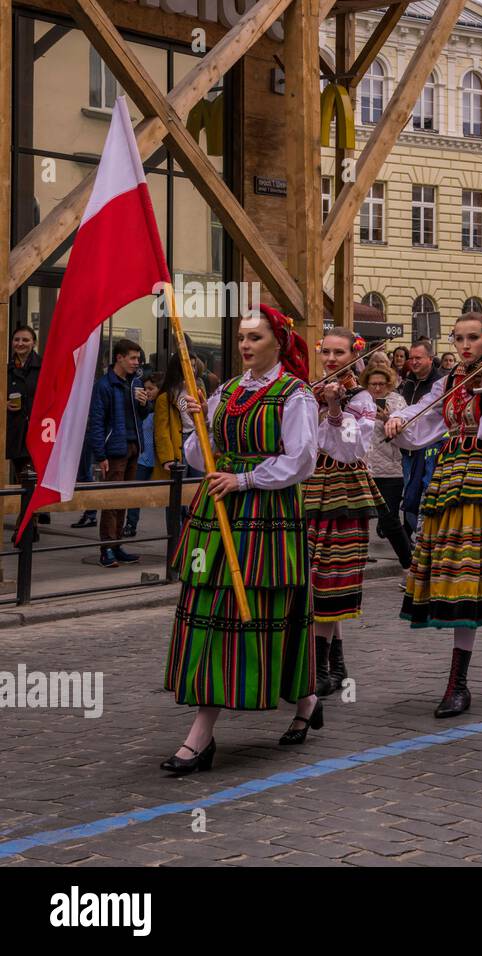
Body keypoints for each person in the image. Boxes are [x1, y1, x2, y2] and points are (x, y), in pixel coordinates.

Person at [161, 304, 319, 774]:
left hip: (266, 510)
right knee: (211, 609)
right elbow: (200, 457)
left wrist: (244, 480)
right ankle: (300, 700)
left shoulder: (295, 395)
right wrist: (197, 423)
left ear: (278, 341)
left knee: (265, 607)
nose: (245, 345)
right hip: (218, 512)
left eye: (255, 337)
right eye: (242, 337)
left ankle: (205, 734)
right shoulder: (226, 390)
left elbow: (302, 460)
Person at [385, 312, 482, 717]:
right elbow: (423, 423)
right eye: (459, 339)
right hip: (451, 478)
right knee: (464, 577)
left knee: (474, 577)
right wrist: (398, 418)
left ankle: (457, 685)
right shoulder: (449, 381)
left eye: (473, 339)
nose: (465, 346)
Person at [304, 330, 382, 699]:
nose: (332, 358)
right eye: (327, 352)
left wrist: (335, 409)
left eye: (340, 352)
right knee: (313, 574)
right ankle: (335, 664)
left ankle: (323, 668)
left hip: (343, 489)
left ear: (354, 354)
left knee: (329, 577)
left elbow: (351, 449)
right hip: (310, 485)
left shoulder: (361, 397)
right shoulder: (311, 389)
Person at [87, 338, 147, 568]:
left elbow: (140, 416)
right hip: (115, 449)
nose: (136, 362)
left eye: (138, 358)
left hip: (133, 445)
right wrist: (100, 455)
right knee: (112, 499)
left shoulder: (134, 383)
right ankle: (107, 548)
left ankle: (117, 544)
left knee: (125, 498)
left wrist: (144, 405)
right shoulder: (105, 385)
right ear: (119, 357)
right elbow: (97, 422)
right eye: (132, 358)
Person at [361, 364, 412, 569]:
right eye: (373, 384)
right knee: (362, 516)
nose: (377, 388)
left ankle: (408, 561)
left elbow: (403, 434)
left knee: (389, 519)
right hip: (366, 466)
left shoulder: (397, 401)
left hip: (391, 469)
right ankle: (360, 555)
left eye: (382, 384)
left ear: (389, 384)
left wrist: (387, 418)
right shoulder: (360, 401)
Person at [398, 342, 440, 535]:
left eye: (418, 358)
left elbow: (426, 411)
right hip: (406, 446)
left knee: (422, 489)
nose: (413, 362)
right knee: (409, 490)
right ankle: (409, 530)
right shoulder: (408, 381)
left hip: (428, 444)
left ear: (430, 359)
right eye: (411, 358)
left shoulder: (439, 383)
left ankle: (417, 532)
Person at [153, 350, 205, 481]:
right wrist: (167, 459)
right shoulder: (165, 397)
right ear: (178, 368)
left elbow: (205, 418)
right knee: (179, 484)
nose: (192, 370)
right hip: (179, 442)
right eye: (189, 365)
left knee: (197, 484)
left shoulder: (198, 391)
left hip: (196, 440)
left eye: (194, 366)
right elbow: (161, 431)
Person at [123, 374, 162, 538]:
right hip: (143, 457)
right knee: (136, 493)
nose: (147, 392)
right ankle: (131, 524)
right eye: (145, 389)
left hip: (159, 459)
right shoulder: (142, 406)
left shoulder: (162, 406)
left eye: (151, 389)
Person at [6, 325, 43, 494]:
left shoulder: (44, 367)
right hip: (15, 431)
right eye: (17, 339)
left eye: (25, 340)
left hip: (39, 431)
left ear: (33, 343)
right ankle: (33, 513)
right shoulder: (6, 369)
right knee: (22, 474)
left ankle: (29, 518)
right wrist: (2, 404)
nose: (20, 343)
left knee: (31, 474)